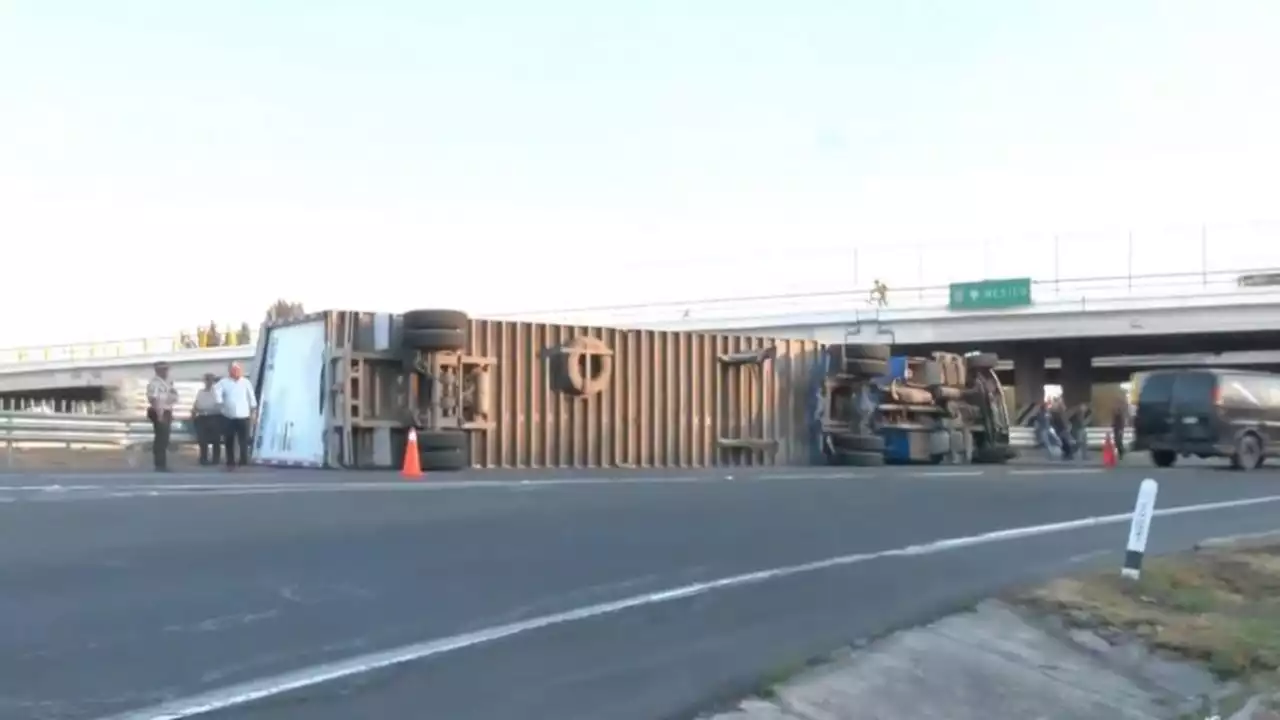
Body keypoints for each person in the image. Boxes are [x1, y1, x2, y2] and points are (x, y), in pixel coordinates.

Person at [214, 361, 257, 471]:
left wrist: (253, 412)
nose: (237, 372)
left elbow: (251, 398)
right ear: (230, 371)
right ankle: (230, 460)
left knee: (244, 439)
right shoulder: (224, 382)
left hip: (244, 415)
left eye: (238, 370)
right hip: (228, 416)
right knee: (229, 440)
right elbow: (216, 391)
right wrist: (220, 403)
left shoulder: (246, 382)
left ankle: (243, 460)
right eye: (234, 370)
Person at [145, 361, 180, 471]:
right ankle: (159, 464)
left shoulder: (168, 383)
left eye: (166, 369)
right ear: (158, 370)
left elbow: (174, 396)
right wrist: (159, 414)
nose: (166, 372)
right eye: (163, 369)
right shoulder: (155, 383)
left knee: (164, 438)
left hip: (167, 410)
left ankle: (162, 463)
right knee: (161, 438)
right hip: (159, 411)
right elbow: (153, 399)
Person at [191, 373, 222, 466]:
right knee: (202, 439)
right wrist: (193, 412)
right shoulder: (201, 392)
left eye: (210, 379)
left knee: (216, 439)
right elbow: (196, 403)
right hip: (202, 417)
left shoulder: (217, 392)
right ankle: (203, 458)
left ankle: (216, 459)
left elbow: (218, 405)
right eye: (207, 379)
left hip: (214, 416)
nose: (208, 382)